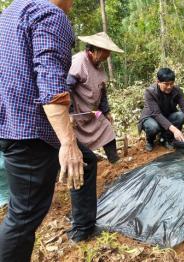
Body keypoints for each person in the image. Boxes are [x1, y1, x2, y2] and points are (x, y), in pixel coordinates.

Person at [0, 0, 97, 261]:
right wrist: (68, 142)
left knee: (86, 161)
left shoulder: (12, 12)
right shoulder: (50, 14)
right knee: (23, 217)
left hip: (10, 123)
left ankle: (83, 228)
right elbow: (51, 82)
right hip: (30, 131)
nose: (73, 3)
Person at [67, 32, 124, 164]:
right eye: (106, 52)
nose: (108, 55)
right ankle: (79, 165)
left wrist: (106, 111)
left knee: (107, 127)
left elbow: (102, 90)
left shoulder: (99, 63)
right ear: (95, 50)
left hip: (93, 112)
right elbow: (67, 87)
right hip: (78, 113)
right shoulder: (79, 61)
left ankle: (114, 160)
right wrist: (69, 112)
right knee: (76, 142)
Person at [138, 68, 184, 151]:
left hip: (167, 116)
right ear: (158, 81)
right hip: (151, 117)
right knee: (153, 127)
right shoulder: (150, 92)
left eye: (171, 84)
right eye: (166, 84)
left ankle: (165, 138)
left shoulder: (177, 91)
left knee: (180, 115)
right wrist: (175, 130)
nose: (169, 87)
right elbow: (156, 114)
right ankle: (150, 140)